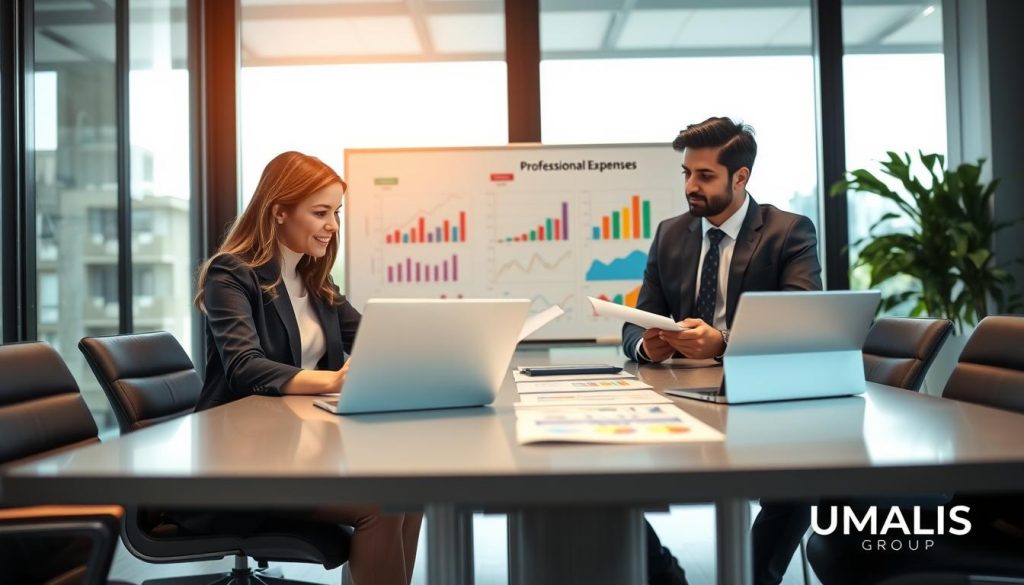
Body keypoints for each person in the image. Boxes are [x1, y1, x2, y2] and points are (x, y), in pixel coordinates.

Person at [194, 151, 421, 585]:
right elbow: (244, 366)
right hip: (243, 464)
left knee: (410, 493)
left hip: (302, 450)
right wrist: (335, 380)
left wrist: (434, 349)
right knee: (382, 503)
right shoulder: (231, 275)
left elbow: (376, 340)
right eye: (320, 212)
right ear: (279, 211)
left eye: (335, 212)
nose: (333, 225)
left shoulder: (316, 282)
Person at [622, 117, 823, 585]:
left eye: (705, 176)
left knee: (795, 486)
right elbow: (637, 320)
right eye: (687, 174)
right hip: (679, 402)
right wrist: (649, 347)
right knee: (612, 477)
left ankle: (753, 578)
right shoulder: (671, 234)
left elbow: (801, 325)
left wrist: (724, 343)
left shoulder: (788, 232)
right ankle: (666, 576)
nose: (691, 186)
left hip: (764, 406)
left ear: (741, 177)